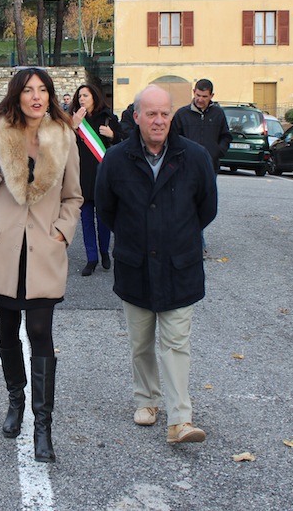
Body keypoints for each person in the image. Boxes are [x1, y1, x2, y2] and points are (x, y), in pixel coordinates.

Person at [0, 67, 82, 464]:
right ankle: (16, 400)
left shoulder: (64, 137)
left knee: (40, 331)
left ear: (50, 96)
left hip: (43, 251)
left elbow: (73, 197)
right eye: (28, 90)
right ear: (17, 96)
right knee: (7, 331)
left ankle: (43, 427)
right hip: (3, 251)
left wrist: (62, 232)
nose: (36, 96)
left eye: (43, 90)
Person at [95, 85, 217, 446]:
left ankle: (180, 418)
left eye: (165, 113)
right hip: (134, 266)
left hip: (180, 266)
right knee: (141, 343)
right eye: (151, 114)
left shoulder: (195, 157)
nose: (159, 120)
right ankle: (146, 400)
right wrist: (136, 237)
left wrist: (175, 236)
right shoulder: (116, 159)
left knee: (176, 343)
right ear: (136, 117)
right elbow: (106, 209)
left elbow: (207, 208)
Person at [170, 79, 230, 256]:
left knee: (204, 205)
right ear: (193, 92)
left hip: (210, 167)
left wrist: (218, 151)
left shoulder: (218, 114)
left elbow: (226, 136)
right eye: (198, 95)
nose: (200, 99)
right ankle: (192, 241)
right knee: (186, 204)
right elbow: (173, 139)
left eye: (204, 96)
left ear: (211, 96)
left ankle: (196, 239)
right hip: (185, 168)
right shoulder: (182, 114)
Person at [69, 84, 122, 276]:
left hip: (103, 177)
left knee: (103, 219)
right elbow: (62, 144)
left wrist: (113, 135)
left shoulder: (108, 118)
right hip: (82, 176)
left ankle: (104, 252)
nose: (82, 99)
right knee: (86, 221)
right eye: (79, 96)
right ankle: (91, 258)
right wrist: (73, 126)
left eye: (86, 95)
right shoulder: (73, 119)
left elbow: (124, 142)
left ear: (94, 97)